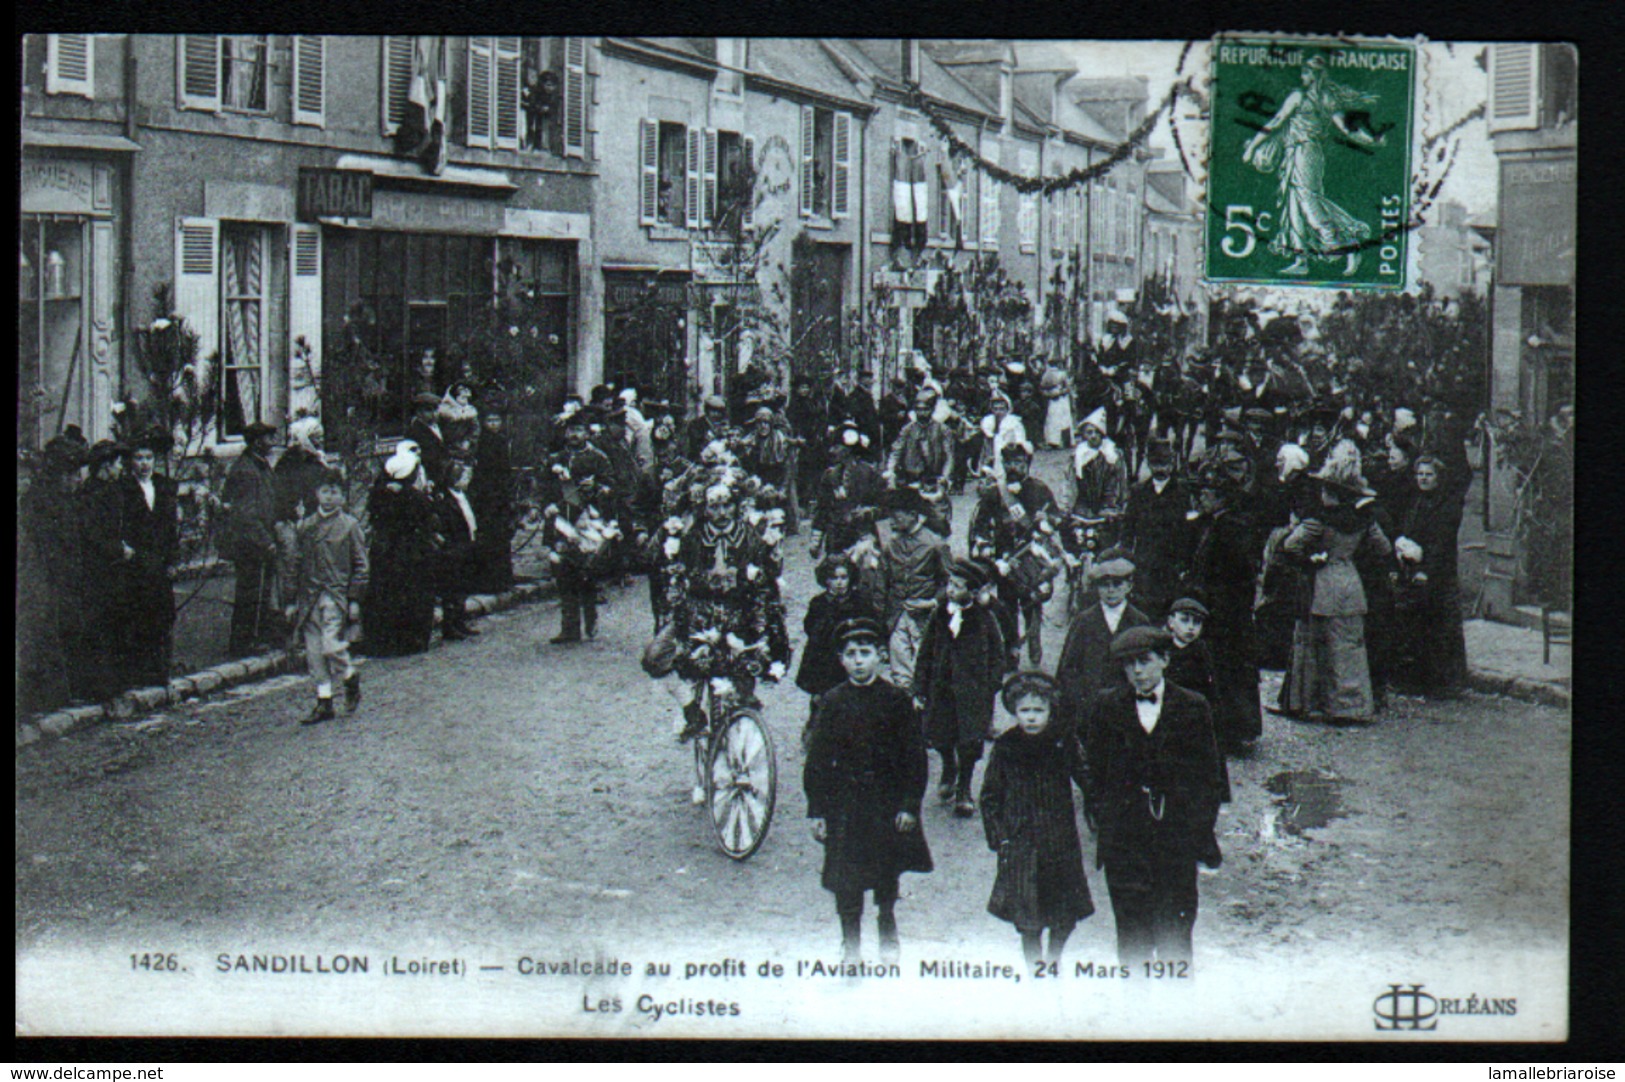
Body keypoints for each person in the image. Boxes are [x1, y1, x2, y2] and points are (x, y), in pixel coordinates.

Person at [1082, 626, 1225, 971]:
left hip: (1175, 842)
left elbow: (1210, 780)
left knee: (1175, 933)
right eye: (1129, 665)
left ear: (1164, 659)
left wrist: (1195, 833)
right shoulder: (1106, 705)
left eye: (1144, 662)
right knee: (1131, 937)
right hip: (1125, 843)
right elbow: (1094, 772)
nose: (1137, 672)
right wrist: (1106, 818)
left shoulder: (1193, 707)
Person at [804, 617, 933, 965]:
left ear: (880, 656)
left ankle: (887, 928)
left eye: (865, 653)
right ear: (841, 660)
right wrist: (817, 809)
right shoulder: (832, 702)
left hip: (885, 802)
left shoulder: (895, 700)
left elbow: (914, 758)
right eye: (850, 654)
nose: (858, 661)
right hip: (844, 804)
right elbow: (817, 761)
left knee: (885, 873)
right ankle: (851, 945)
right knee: (846, 879)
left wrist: (909, 805)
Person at [980, 669, 1095, 968]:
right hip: (1021, 842)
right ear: (1014, 711)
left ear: (1050, 710)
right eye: (1024, 711)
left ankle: (1054, 958)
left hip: (1059, 840)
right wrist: (999, 836)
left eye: (1038, 710)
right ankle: (1036, 971)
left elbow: (1086, 777)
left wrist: (1100, 804)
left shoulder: (1063, 740)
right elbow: (990, 795)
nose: (1031, 717)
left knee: (1064, 914)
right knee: (1028, 917)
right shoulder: (1006, 746)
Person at [665, 479, 791, 747]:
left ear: (735, 507)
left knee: (745, 668)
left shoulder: (749, 536)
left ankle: (741, 728)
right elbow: (683, 574)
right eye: (714, 507)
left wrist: (753, 580)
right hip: (702, 613)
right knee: (665, 657)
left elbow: (764, 576)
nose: (721, 513)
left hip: (741, 614)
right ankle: (692, 713)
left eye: (726, 506)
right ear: (706, 509)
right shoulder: (694, 538)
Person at [1241, 54, 1387, 277]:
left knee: (1308, 202)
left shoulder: (1301, 97)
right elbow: (1348, 130)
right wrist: (1371, 139)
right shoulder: (1325, 98)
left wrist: (1252, 147)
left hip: (1305, 152)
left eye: (1305, 72)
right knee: (1295, 205)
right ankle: (1302, 259)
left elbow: (1276, 121)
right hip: (1298, 152)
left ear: (1314, 75)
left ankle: (1342, 244)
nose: (1302, 76)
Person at [1279, 445, 1392, 722]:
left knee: (1315, 645)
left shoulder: (1318, 521)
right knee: (1349, 647)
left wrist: (1311, 559)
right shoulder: (1364, 520)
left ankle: (1311, 702)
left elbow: (1289, 546)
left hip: (1322, 582)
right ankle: (1351, 705)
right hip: (1351, 582)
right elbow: (1384, 548)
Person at [914, 558, 1011, 818]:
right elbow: (925, 652)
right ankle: (948, 766)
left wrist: (991, 684)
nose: (951, 590)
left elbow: (998, 655)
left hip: (973, 694)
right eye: (950, 584)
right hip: (942, 690)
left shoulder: (984, 618)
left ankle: (964, 788)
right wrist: (920, 687)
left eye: (958, 586)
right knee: (941, 735)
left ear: (973, 591)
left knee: (970, 742)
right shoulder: (939, 614)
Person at [1183, 464, 1263, 749]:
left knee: (1227, 670)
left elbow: (1236, 577)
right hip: (1219, 611)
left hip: (1227, 615)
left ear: (1220, 498)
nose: (1200, 499)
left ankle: (1232, 731)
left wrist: (1206, 595)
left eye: (1205, 494)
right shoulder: (1214, 524)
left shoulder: (1231, 529)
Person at [280, 467, 368, 726]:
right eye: (325, 491)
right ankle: (324, 700)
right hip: (309, 596)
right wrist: (291, 599)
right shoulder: (305, 526)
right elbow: (294, 563)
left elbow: (361, 565)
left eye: (335, 492)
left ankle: (350, 676)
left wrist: (354, 598)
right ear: (317, 494)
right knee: (315, 653)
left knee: (332, 645)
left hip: (335, 594)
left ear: (342, 497)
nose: (329, 497)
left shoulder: (350, 526)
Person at [970, 440, 1058, 667]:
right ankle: (1011, 653)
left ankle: (1034, 647)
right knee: (1007, 609)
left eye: (1018, 462)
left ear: (1027, 463)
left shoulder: (1039, 489)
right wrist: (989, 553)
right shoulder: (994, 494)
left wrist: (1045, 520)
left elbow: (1057, 519)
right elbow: (979, 527)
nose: (1013, 467)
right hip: (1005, 561)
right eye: (1008, 462)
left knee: (1032, 604)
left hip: (1032, 560)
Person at [17, 437, 87, 714]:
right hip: (43, 579)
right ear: (60, 475)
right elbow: (44, 545)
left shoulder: (66, 500)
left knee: (66, 630)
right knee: (45, 634)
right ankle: (43, 699)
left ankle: (63, 694)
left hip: (63, 578)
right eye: (72, 475)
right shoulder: (40, 502)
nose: (76, 481)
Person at [1393, 454, 1468, 696]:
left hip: (1438, 572)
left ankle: (1446, 683)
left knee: (1441, 627)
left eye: (1429, 474)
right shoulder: (1416, 501)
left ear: (1439, 477)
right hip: (1415, 567)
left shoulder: (1447, 505)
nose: (1423, 479)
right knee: (1418, 624)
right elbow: (1408, 530)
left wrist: (1427, 571)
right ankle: (1419, 680)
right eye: (1420, 474)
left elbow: (1441, 543)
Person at [1055, 548, 1150, 731]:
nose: (1111, 590)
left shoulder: (1139, 621)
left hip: (1128, 708)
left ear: (1129, 586)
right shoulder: (1085, 620)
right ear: (1097, 587)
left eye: (1117, 584)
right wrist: (1080, 698)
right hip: (1090, 709)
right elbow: (1068, 666)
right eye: (1104, 585)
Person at [115, 429, 181, 690]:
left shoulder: (164, 486)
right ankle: (139, 673)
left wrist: (173, 559)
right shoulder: (124, 489)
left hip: (160, 562)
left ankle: (160, 670)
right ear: (131, 461)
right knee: (138, 616)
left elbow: (170, 527)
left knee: (162, 615)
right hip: (137, 563)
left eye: (149, 458)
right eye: (139, 458)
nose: (144, 464)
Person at [868, 486, 950, 690]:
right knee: (900, 676)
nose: (892, 522)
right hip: (896, 618)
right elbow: (881, 585)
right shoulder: (890, 546)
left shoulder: (935, 544)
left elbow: (951, 583)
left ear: (913, 515)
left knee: (928, 674)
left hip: (926, 620)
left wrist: (932, 602)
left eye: (897, 516)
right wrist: (880, 622)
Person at [364, 442, 440, 656]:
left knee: (387, 593)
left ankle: (385, 641)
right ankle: (410, 640)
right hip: (411, 552)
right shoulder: (415, 499)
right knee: (411, 593)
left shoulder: (380, 495)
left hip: (385, 551)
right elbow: (428, 521)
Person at [796, 553, 880, 745]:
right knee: (822, 700)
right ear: (826, 580)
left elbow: (872, 625)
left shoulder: (860, 601)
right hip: (824, 660)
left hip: (850, 657)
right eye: (834, 578)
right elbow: (809, 628)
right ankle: (817, 736)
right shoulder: (818, 603)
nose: (839, 583)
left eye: (843, 578)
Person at [541, 454, 623, 645]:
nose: (585, 482)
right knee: (565, 581)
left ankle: (590, 618)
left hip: (589, 539)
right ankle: (569, 628)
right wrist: (547, 509)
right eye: (570, 429)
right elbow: (547, 498)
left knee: (586, 580)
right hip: (564, 535)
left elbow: (610, 504)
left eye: (578, 429)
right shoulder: (560, 475)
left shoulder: (600, 477)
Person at [222, 420, 282, 658]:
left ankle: (255, 638)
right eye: (269, 438)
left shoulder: (259, 465)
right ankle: (244, 642)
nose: (273, 443)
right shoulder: (247, 470)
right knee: (251, 593)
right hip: (250, 543)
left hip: (259, 538)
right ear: (257, 442)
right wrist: (265, 541)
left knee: (259, 591)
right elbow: (246, 514)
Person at [78, 440, 128, 700]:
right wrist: (118, 550)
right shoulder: (92, 496)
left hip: (111, 568)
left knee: (113, 624)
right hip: (98, 570)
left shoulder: (110, 491)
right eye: (118, 463)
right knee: (100, 625)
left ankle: (111, 684)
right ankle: (100, 687)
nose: (121, 468)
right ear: (107, 466)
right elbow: (93, 535)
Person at [1122, 439, 1188, 621]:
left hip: (1171, 564)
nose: (1160, 469)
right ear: (1148, 464)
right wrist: (1128, 558)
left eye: (1165, 464)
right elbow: (1128, 528)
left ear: (1173, 464)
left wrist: (1184, 563)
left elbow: (1188, 531)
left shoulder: (1183, 492)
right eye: (1156, 464)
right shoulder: (1139, 492)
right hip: (1145, 563)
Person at [810, 423, 884, 561]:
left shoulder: (869, 473)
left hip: (862, 535)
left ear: (849, 449)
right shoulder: (830, 475)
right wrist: (816, 539)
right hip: (836, 538)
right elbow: (822, 509)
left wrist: (868, 511)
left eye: (837, 447)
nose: (832, 451)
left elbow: (883, 504)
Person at [468, 404, 515, 594]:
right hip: (486, 496)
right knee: (488, 536)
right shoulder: (482, 443)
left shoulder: (502, 441)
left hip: (500, 494)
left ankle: (502, 579)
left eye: (497, 420)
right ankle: (488, 581)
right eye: (489, 421)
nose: (494, 424)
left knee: (501, 536)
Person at [435, 459, 483, 642]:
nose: (467, 480)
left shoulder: (463, 496)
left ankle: (460, 622)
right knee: (452, 589)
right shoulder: (446, 501)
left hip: (466, 544)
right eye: (464, 477)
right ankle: (450, 625)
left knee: (462, 586)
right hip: (454, 548)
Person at [1071, 407, 1127, 530]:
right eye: (1089, 432)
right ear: (1084, 434)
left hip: (1108, 505)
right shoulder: (1078, 455)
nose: (1093, 436)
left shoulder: (1112, 454)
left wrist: (1113, 506)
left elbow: (1119, 483)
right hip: (1084, 505)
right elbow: (1071, 484)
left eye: (1097, 432)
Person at [273, 417, 330, 527]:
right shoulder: (293, 462)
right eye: (317, 437)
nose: (321, 441)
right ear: (306, 438)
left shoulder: (315, 458)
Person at [977, 391, 1028, 484]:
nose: (998, 412)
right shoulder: (988, 420)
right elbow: (988, 437)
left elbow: (1020, 441)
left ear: (1007, 409)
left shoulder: (1014, 422)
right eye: (995, 409)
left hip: (1009, 451)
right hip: (991, 449)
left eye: (1001, 409)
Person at [406, 391, 452, 490]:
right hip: (430, 477)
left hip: (445, 475)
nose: (434, 414)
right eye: (428, 410)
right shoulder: (414, 432)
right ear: (419, 412)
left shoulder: (441, 426)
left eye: (435, 410)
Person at [1041, 358, 1075, 449]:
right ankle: (1055, 441)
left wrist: (1060, 392)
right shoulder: (1048, 374)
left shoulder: (1059, 374)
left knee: (1060, 420)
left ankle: (1061, 441)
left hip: (1061, 399)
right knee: (1056, 420)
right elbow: (1043, 388)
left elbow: (1067, 387)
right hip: (1056, 399)